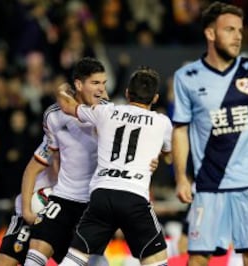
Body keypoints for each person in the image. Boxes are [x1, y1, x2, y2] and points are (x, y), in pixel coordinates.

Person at [172, 2, 248, 266]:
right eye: (229, 30)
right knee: (198, 258)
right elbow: (180, 131)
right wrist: (181, 178)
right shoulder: (187, 77)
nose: (238, 36)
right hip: (211, 183)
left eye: (240, 30)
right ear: (210, 34)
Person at [56, 66, 172, 266]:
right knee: (156, 259)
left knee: (76, 256)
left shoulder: (106, 111)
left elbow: (67, 106)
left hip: (102, 194)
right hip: (134, 196)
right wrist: (156, 158)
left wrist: (61, 90)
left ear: (127, 93)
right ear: (155, 98)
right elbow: (170, 157)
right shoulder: (162, 123)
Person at [23, 57, 110, 266]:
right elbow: (34, 166)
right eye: (95, 83)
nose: (101, 90)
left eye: (103, 83)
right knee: (36, 250)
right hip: (63, 198)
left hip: (94, 204)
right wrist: (26, 209)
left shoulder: (107, 113)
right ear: (79, 85)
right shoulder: (53, 116)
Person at [0, 135, 58, 266]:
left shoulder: (97, 141)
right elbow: (30, 171)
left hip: (67, 212)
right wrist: (27, 211)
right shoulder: (55, 137)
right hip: (35, 207)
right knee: (5, 262)